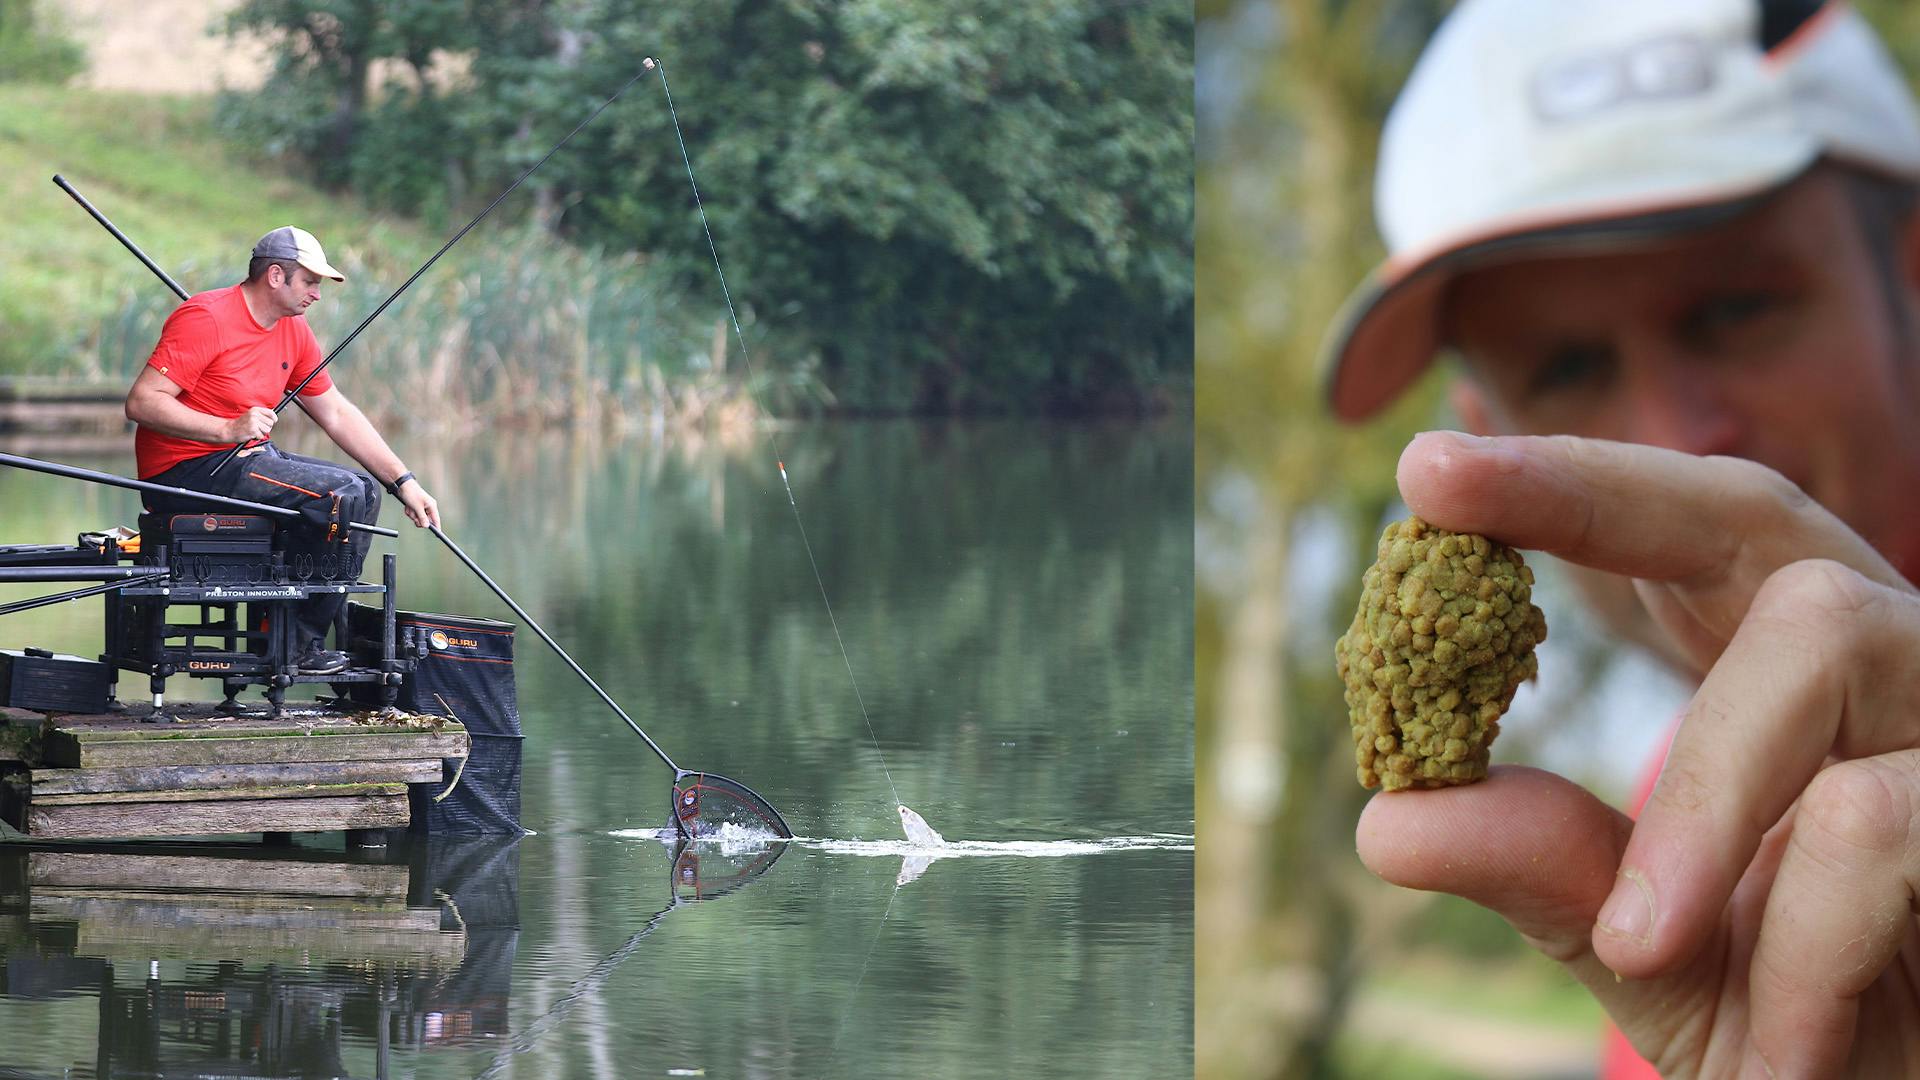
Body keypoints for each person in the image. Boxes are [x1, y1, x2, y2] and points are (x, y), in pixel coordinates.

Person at [1322, 1, 1920, 1076]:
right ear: (1487, 433)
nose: (1679, 439)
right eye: (1564, 370)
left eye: (1736, 308)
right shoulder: (1654, 884)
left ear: (1912, 276)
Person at [126, 226, 441, 675]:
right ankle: (294, 648)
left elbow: (334, 412)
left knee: (364, 492)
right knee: (337, 497)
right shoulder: (206, 316)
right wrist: (226, 428)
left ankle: (282, 629)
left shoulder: (292, 329)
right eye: (310, 282)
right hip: (184, 472)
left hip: (244, 459)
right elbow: (142, 402)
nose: (317, 293)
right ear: (276, 276)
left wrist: (405, 482)